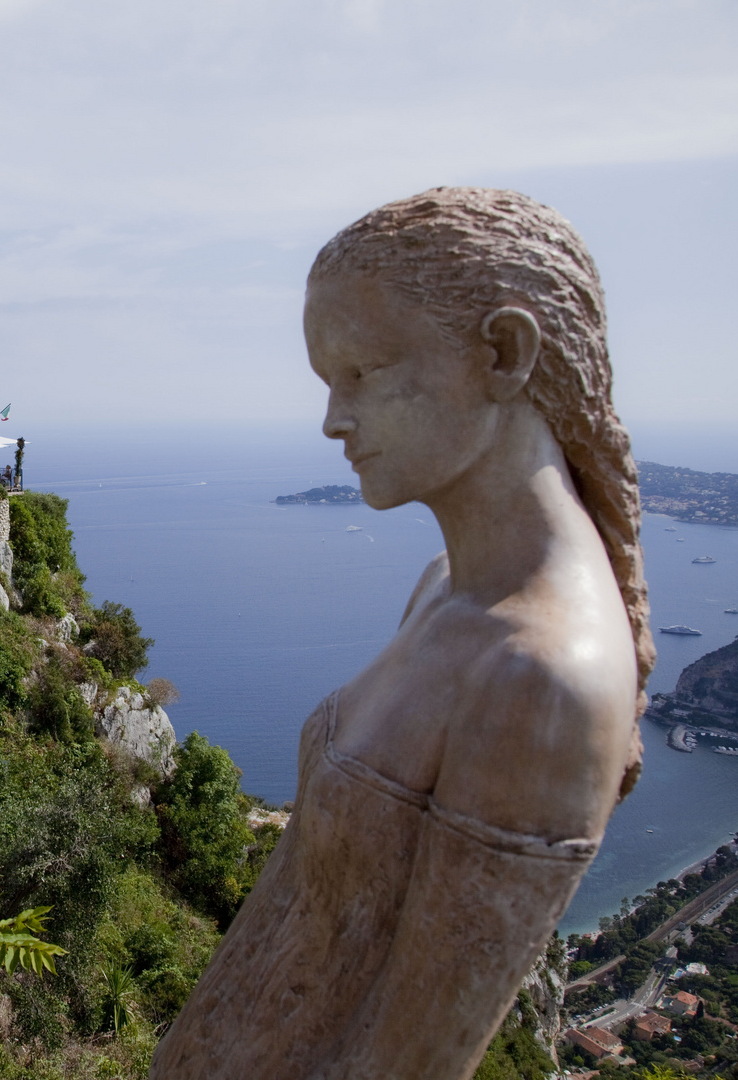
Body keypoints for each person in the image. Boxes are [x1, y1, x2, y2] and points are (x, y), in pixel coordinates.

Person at [152, 188, 652, 1080]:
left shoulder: (541, 680)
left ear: (502, 353)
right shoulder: (441, 591)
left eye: (363, 372)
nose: (333, 420)